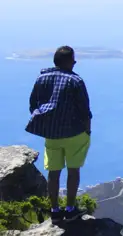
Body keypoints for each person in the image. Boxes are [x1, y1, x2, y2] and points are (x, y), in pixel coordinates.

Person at [25, 46, 92, 223]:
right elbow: (85, 110)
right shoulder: (75, 80)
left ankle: (54, 210)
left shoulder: (42, 78)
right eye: (73, 60)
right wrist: (88, 130)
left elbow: (33, 105)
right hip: (75, 133)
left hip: (51, 135)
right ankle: (70, 209)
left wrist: (46, 124)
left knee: (53, 172)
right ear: (68, 61)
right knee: (73, 171)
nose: (75, 63)